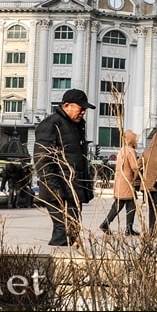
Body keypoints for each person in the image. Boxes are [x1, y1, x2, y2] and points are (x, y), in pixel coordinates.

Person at [33, 88, 96, 246]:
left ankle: (63, 266)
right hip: (59, 188)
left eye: (85, 110)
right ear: (66, 105)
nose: (83, 112)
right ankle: (54, 266)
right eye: (80, 108)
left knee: (73, 228)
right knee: (65, 229)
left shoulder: (76, 126)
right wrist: (55, 190)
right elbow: (43, 161)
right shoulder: (51, 124)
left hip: (73, 188)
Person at [100, 129, 139, 236]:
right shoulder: (130, 150)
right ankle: (128, 228)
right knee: (131, 205)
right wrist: (141, 165)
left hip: (120, 180)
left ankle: (106, 223)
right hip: (127, 181)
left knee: (118, 204)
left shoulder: (122, 150)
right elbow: (134, 166)